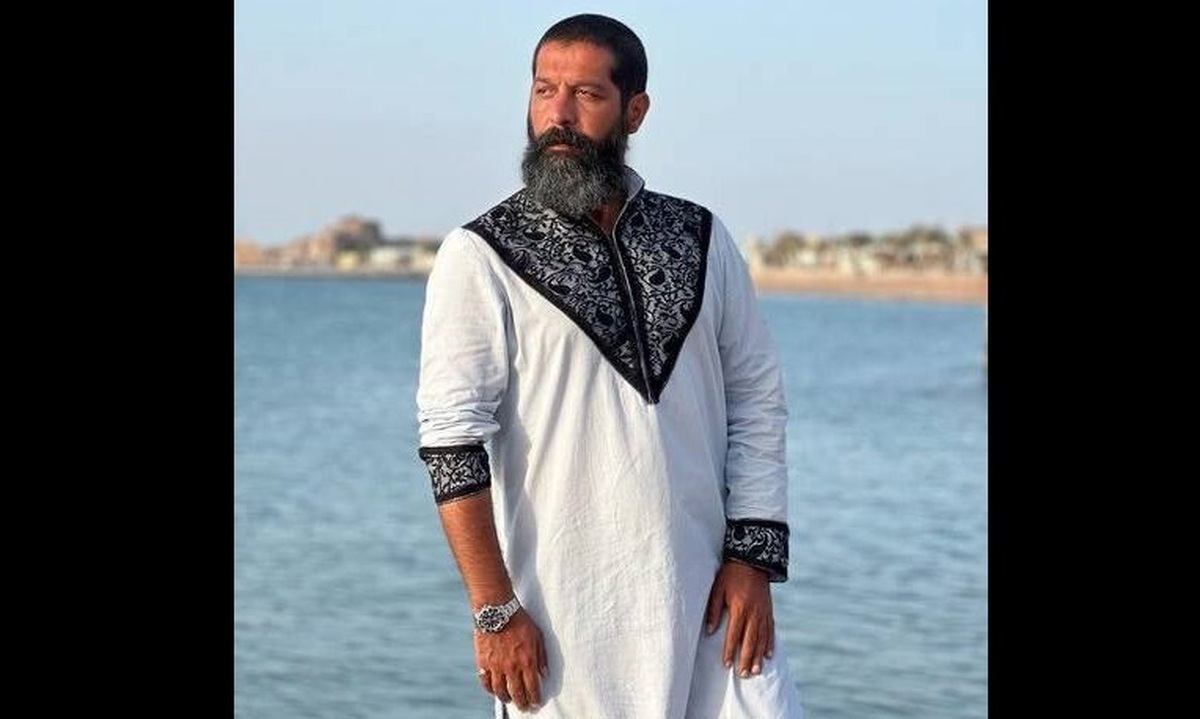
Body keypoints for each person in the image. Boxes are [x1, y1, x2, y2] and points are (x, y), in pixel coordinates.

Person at [416, 13, 803, 718]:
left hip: (715, 611)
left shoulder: (701, 236)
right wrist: (494, 610)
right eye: (544, 91)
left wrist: (752, 558)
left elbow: (755, 396)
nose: (558, 116)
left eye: (587, 94)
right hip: (562, 625)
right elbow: (452, 441)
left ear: (635, 111)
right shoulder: (479, 255)